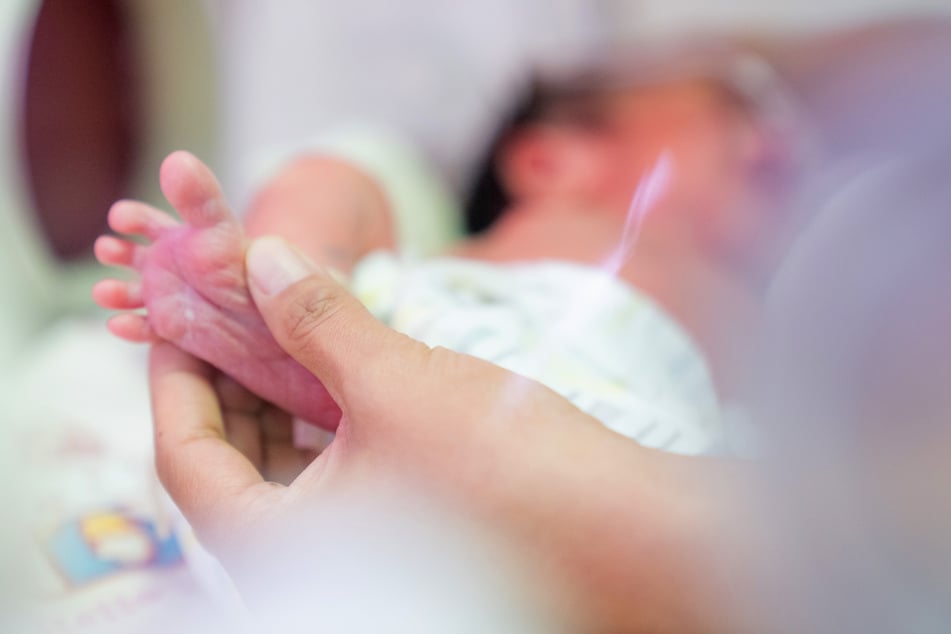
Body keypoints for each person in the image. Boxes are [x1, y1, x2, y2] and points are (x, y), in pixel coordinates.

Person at [94, 47, 800, 457]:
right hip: (468, 353)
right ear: (551, 164)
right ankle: (296, 351)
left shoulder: (794, 325)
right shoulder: (439, 241)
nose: (784, 130)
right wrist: (291, 270)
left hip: (683, 464)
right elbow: (330, 188)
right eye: (735, 103)